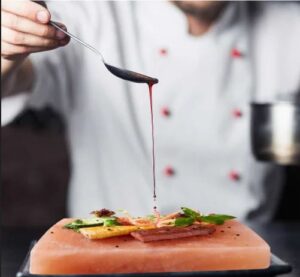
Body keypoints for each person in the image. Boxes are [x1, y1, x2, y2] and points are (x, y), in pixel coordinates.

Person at [2, 1, 300, 221]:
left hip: (249, 264)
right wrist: (8, 51)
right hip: (109, 264)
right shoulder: (90, 14)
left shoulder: (287, 25)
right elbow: (16, 80)